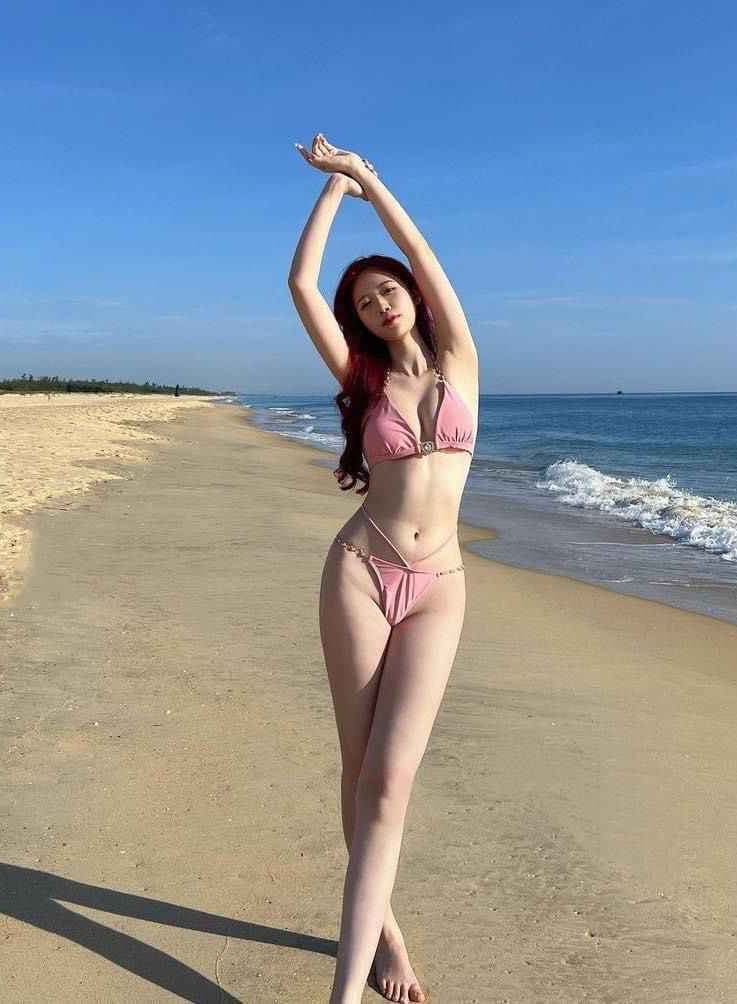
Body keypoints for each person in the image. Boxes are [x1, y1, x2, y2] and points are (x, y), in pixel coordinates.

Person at [289, 133, 479, 1004]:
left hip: (439, 588)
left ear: (410, 296)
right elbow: (302, 286)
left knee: (392, 779)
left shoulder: (461, 360)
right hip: (361, 572)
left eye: (387, 292)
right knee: (360, 768)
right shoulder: (362, 381)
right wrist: (332, 190)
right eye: (364, 303)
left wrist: (367, 175)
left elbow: (421, 251)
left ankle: (368, 944)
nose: (379, 305)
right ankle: (371, 957)